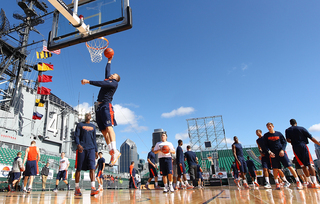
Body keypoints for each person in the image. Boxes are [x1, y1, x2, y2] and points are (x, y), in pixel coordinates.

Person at [81, 56, 121, 166]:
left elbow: (101, 83)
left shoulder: (114, 83)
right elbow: (107, 71)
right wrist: (109, 60)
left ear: (116, 79)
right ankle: (112, 151)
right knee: (103, 131)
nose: (112, 74)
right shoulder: (109, 79)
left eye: (114, 75)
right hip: (99, 108)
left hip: (106, 106)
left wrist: (88, 81)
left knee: (109, 128)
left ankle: (115, 149)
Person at [264, 122, 303, 190]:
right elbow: (265, 145)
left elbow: (284, 142)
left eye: (270, 126)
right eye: (268, 126)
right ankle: (277, 183)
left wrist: (282, 150)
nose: (269, 127)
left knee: (290, 167)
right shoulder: (266, 135)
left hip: (281, 152)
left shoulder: (278, 133)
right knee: (275, 169)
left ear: (273, 126)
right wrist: (269, 152)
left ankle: (298, 181)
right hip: (273, 154)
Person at [285, 119, 320, 188]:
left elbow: (288, 140)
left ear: (290, 123)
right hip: (303, 145)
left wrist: (294, 141)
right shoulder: (302, 128)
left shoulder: (288, 130)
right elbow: (311, 137)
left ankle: (309, 182)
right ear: (296, 123)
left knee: (303, 165)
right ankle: (315, 182)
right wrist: (318, 143)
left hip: (295, 147)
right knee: (309, 164)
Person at [74, 113, 99, 196]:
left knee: (92, 168)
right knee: (78, 168)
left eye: (89, 114)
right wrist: (78, 144)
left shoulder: (93, 126)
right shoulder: (80, 125)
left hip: (91, 149)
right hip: (82, 148)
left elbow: (94, 139)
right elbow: (76, 136)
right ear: (85, 116)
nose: (88, 115)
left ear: (91, 117)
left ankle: (93, 188)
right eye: (86, 114)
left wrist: (96, 150)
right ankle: (77, 188)